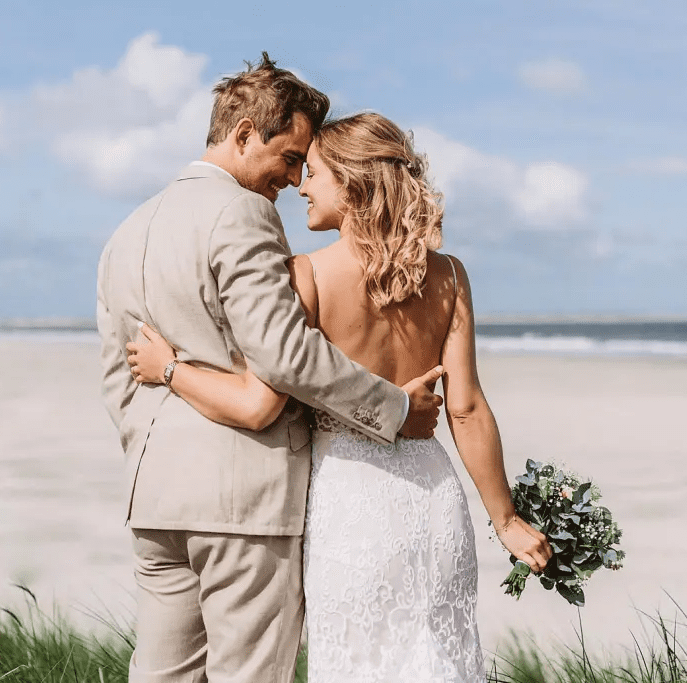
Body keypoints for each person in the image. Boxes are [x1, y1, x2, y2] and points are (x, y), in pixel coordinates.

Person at [127, 112, 553, 682]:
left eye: (314, 173)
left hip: (351, 507)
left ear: (350, 185)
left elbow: (259, 401)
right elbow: (466, 407)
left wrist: (170, 368)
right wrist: (506, 519)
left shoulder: (306, 275)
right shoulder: (449, 275)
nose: (301, 187)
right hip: (435, 501)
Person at [96, 55, 445, 683]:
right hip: (244, 502)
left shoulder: (127, 230)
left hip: (154, 498)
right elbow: (285, 355)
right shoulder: (241, 213)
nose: (292, 178)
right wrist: (394, 407)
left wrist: (151, 442)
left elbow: (116, 378)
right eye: (288, 158)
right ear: (243, 134)